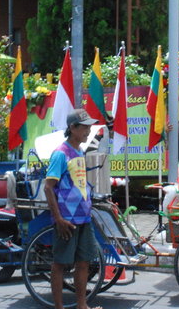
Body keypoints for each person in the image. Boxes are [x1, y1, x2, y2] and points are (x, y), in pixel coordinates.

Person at [44, 109, 102, 309]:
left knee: (84, 262)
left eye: (89, 126)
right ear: (73, 128)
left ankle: (81, 305)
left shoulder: (79, 152)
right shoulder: (60, 154)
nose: (88, 131)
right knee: (60, 264)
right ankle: (59, 307)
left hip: (83, 217)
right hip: (66, 220)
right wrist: (58, 219)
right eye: (84, 127)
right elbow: (48, 187)